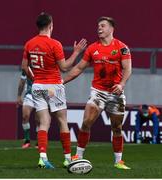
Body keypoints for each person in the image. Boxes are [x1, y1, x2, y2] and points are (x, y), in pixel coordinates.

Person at [64, 16, 132, 170]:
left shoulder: (122, 48)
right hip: (98, 91)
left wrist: (121, 84)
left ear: (111, 28)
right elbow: (79, 68)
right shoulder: (92, 48)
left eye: (103, 26)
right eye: (98, 26)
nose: (99, 28)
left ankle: (118, 161)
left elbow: (127, 68)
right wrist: (62, 82)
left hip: (116, 94)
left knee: (117, 127)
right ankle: (78, 156)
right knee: (86, 122)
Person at [21, 12, 87, 169]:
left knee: (44, 122)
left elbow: (24, 67)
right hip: (53, 86)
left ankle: (42, 158)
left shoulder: (29, 44)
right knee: (62, 121)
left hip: (38, 86)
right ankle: (67, 158)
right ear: (51, 25)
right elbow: (64, 67)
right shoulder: (54, 44)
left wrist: (34, 79)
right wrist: (76, 52)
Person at [17, 70, 38, 149]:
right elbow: (22, 81)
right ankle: (27, 140)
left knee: (39, 120)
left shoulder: (44, 65)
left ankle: (39, 141)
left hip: (41, 95)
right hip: (29, 95)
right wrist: (19, 96)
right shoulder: (27, 68)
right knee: (25, 116)